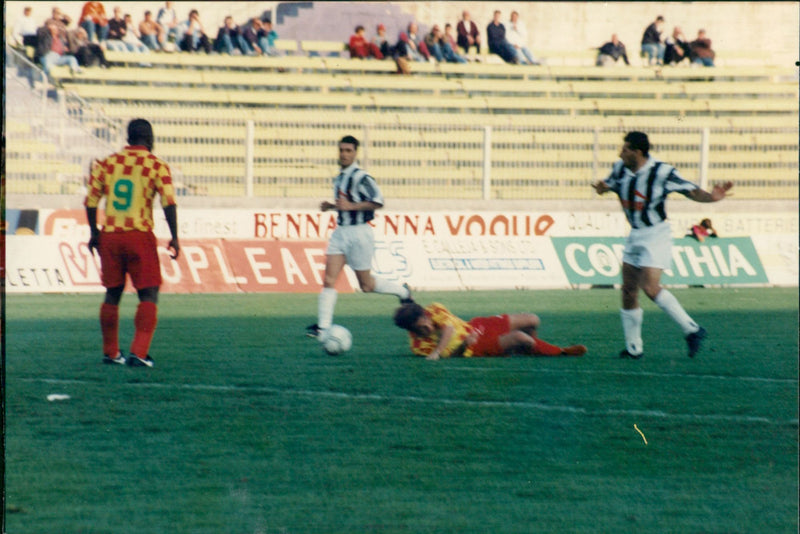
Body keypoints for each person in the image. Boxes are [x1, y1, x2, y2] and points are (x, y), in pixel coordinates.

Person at [591, 131, 733, 360]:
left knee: (649, 287)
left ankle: (692, 329)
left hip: (656, 233)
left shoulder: (661, 172)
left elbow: (690, 190)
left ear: (637, 152)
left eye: (625, 149)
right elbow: (611, 184)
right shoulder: (620, 168)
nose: (621, 153)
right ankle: (633, 348)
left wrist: (712, 198)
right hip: (636, 233)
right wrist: (602, 188)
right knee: (628, 289)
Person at [85, 119, 180, 368]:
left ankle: (111, 353)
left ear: (128, 138)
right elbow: (169, 202)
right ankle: (138, 352)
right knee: (148, 292)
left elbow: (91, 200)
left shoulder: (107, 163)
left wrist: (94, 233)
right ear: (150, 138)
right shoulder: (157, 165)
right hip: (138, 234)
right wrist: (175, 236)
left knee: (112, 292)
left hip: (111, 235)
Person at [306, 135, 413, 341]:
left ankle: (403, 292)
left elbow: (378, 201)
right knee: (329, 279)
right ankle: (323, 327)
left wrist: (351, 207)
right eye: (341, 150)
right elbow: (346, 203)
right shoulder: (339, 177)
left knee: (366, 286)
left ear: (355, 153)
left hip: (359, 233)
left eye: (348, 151)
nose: (344, 154)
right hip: (341, 231)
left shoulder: (361, 177)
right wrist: (331, 206)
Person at [394, 302, 587, 360]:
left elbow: (449, 328)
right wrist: (464, 344)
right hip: (475, 345)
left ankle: (531, 349)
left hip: (477, 325)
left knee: (532, 319)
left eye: (426, 321)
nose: (428, 326)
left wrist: (437, 352)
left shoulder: (433, 309)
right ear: (412, 330)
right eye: (422, 328)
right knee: (522, 338)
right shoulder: (419, 346)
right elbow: (452, 356)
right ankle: (559, 351)